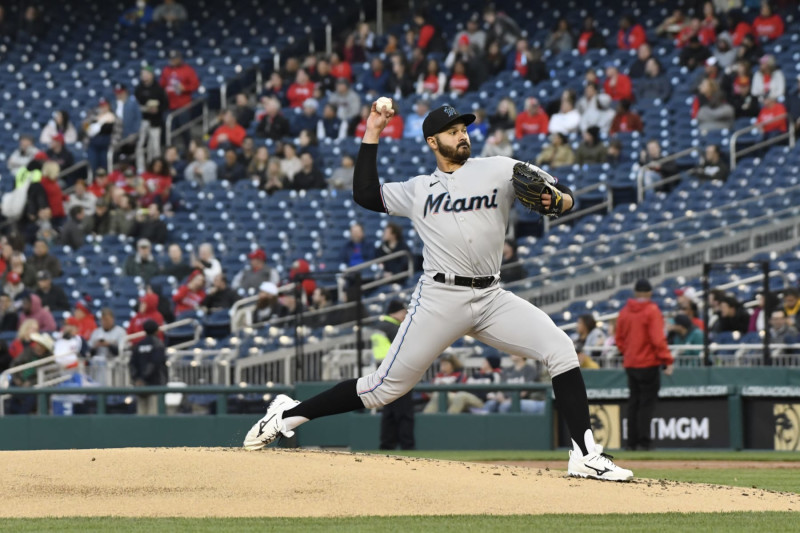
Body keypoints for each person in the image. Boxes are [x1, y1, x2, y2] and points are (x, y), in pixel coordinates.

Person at [242, 102, 633, 481]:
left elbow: (561, 193)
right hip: (439, 299)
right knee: (382, 389)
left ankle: (584, 456)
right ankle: (287, 416)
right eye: (453, 132)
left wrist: (558, 201)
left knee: (560, 348)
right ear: (433, 142)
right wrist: (373, 132)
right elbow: (364, 194)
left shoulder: (500, 168)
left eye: (464, 130)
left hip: (492, 297)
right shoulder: (418, 190)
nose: (462, 136)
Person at [615, 279, 674, 451]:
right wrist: (667, 360)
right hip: (648, 363)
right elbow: (657, 339)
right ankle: (644, 442)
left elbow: (619, 340)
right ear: (649, 293)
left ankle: (631, 443)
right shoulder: (651, 310)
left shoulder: (624, 312)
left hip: (631, 364)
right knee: (646, 404)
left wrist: (629, 352)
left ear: (635, 292)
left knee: (633, 403)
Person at [371, 300, 414, 450]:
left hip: (383, 374)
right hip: (398, 374)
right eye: (403, 312)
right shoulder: (395, 329)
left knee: (388, 412)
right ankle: (407, 446)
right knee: (405, 412)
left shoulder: (379, 327)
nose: (404, 315)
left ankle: (387, 445)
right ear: (396, 312)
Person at [129, 319, 168, 415]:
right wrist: (142, 378)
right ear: (156, 330)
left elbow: (132, 364)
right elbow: (155, 363)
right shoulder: (158, 344)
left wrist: (137, 379)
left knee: (141, 415)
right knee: (153, 416)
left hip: (140, 386)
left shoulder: (139, 345)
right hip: (155, 385)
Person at [9, 332, 54, 413]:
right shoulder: (28, 351)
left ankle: (21, 420)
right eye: (38, 344)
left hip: (35, 386)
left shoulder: (49, 359)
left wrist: (31, 382)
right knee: (10, 394)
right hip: (19, 382)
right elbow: (15, 363)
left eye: (42, 345)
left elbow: (46, 376)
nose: (38, 347)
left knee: (32, 398)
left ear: (45, 348)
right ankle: (10, 418)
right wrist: (17, 378)